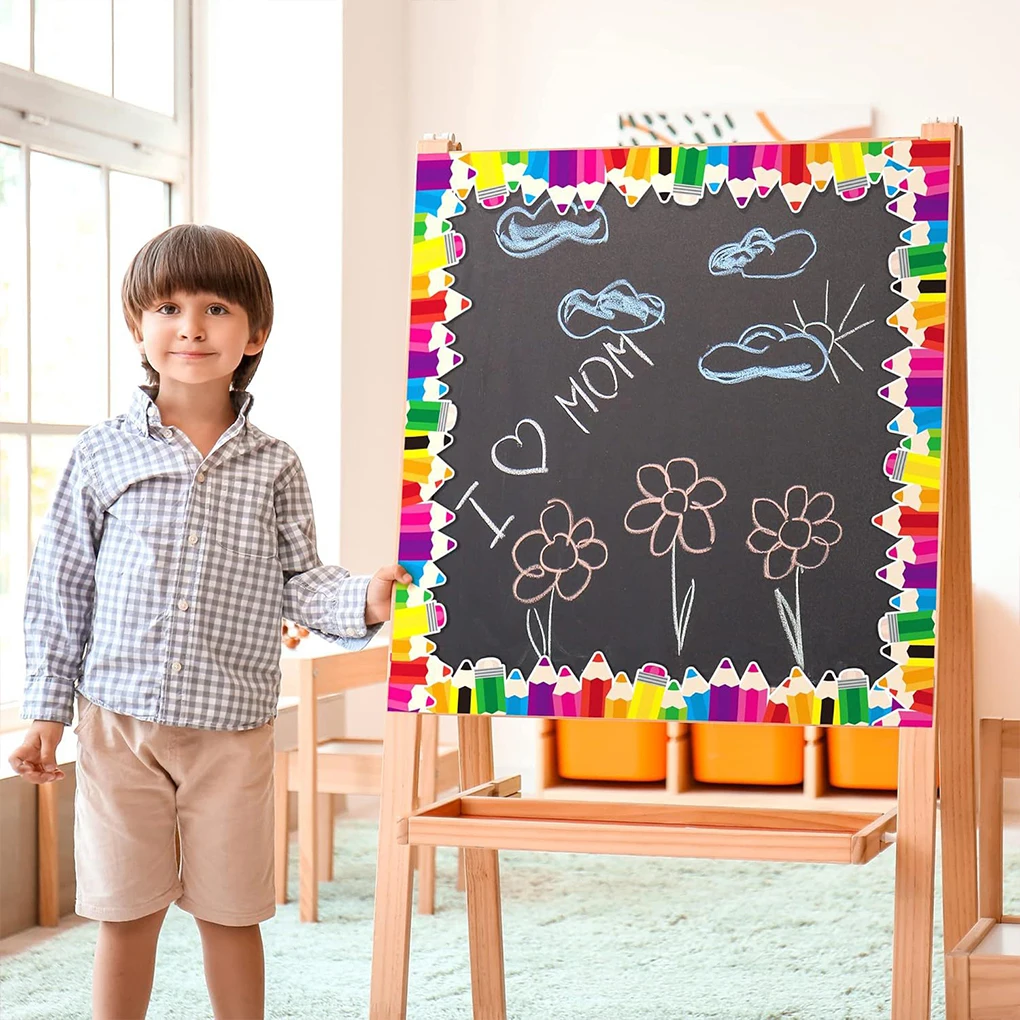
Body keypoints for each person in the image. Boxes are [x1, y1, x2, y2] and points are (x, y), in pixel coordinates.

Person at [8, 224, 409, 1020]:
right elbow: (61, 585)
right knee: (126, 912)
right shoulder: (101, 455)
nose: (190, 325)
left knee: (233, 912)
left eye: (216, 307)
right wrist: (45, 712)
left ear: (253, 333)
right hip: (119, 722)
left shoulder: (275, 464)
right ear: (138, 327)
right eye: (168, 306)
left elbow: (301, 579)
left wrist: (367, 597)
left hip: (232, 727)